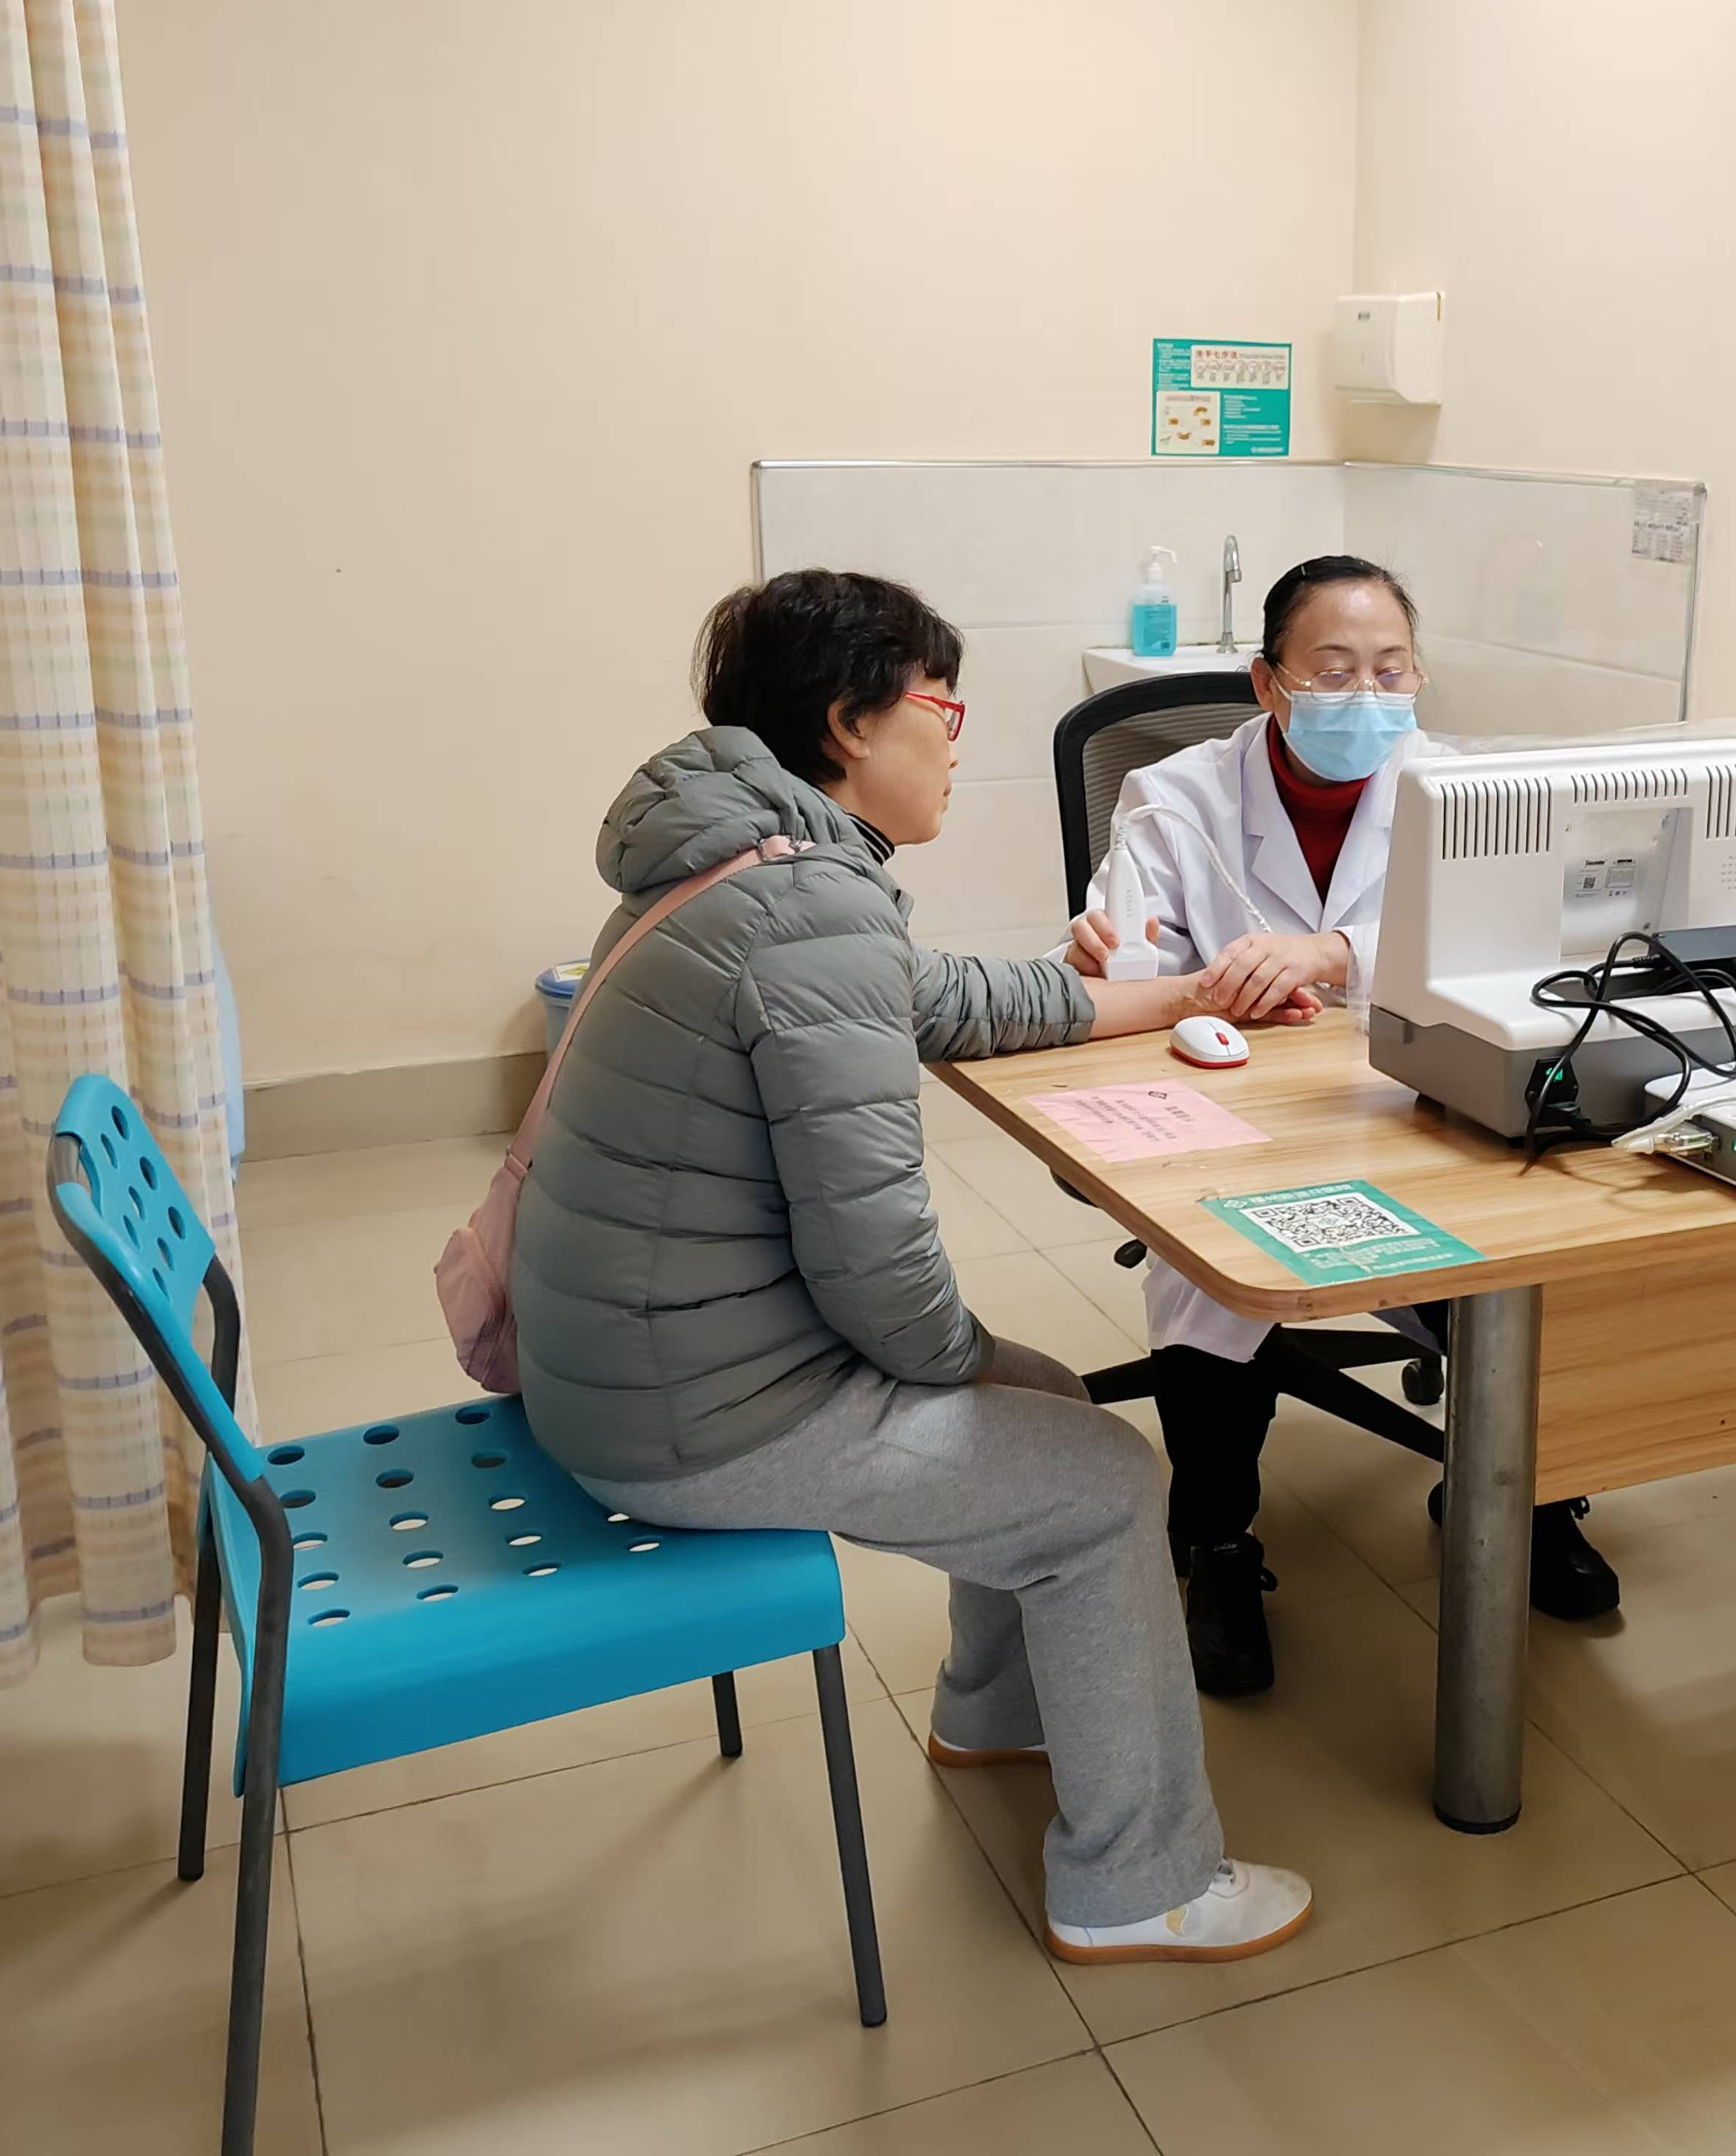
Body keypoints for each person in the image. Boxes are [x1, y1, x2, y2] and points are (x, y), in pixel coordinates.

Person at [510, 568, 1312, 1965]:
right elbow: (880, 1271)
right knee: (1104, 1482)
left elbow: (940, 996)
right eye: (943, 711)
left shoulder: (739, 860)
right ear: (849, 723)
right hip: (696, 1417)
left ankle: (995, 1714)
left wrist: (1177, 994)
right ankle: (1139, 1886)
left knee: (1051, 1394)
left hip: (634, 1363)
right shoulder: (802, 909)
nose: (954, 745)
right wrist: (963, 1370)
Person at [1064, 555, 1620, 1700]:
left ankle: (1523, 1497)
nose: (1366, 696)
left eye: (1390, 670)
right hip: (1241, 1114)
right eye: (1333, 671)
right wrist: (1108, 959)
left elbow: (1515, 952)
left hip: (1414, 1101)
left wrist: (1335, 955)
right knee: (1212, 1281)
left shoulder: (1463, 791)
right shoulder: (1175, 797)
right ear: (1268, 682)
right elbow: (1131, 973)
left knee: (1520, 1256)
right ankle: (1217, 1540)